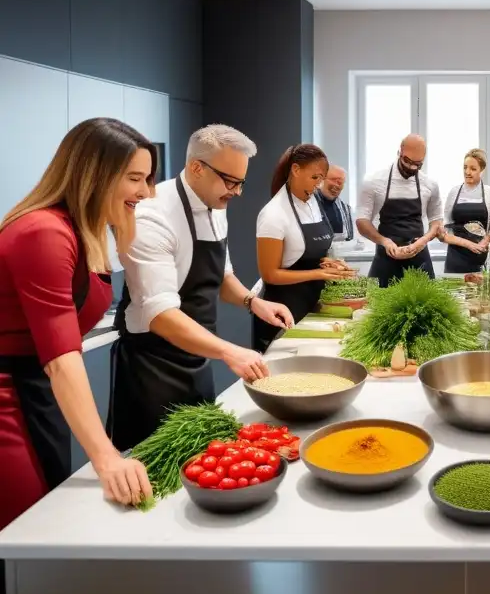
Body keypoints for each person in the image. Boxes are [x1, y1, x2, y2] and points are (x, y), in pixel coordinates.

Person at [0, 119, 157, 532]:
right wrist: (105, 456)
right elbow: (60, 358)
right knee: (23, 529)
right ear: (95, 174)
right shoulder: (44, 232)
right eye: (135, 179)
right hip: (8, 392)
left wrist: (126, 226)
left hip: (33, 387)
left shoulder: (86, 229)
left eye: (148, 179)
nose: (146, 192)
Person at [108, 125, 294, 452]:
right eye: (230, 181)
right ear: (197, 167)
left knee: (202, 458)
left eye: (241, 183)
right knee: (156, 471)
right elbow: (160, 315)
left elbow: (221, 276)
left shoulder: (216, 205)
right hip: (153, 369)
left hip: (198, 359)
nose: (236, 192)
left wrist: (254, 302)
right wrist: (228, 350)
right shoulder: (152, 215)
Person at [253, 145, 351, 354]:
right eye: (314, 177)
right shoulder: (273, 214)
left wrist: (327, 263)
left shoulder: (313, 202)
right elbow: (270, 274)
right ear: (296, 170)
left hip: (312, 305)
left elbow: (309, 253)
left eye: (322, 178)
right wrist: (318, 273)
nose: (318, 185)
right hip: (282, 311)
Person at [356, 134, 443, 286]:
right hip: (386, 258)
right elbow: (362, 221)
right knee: (378, 305)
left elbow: (436, 221)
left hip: (419, 257)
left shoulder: (430, 184)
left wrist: (423, 241)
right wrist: (384, 241)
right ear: (399, 152)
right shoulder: (374, 181)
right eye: (407, 161)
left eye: (418, 164)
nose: (411, 167)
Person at [438, 149, 490, 274]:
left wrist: (484, 242)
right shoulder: (454, 192)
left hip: (481, 259)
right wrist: (468, 244)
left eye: (473, 168)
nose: (467, 172)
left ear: (482, 170)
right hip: (455, 259)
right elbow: (443, 233)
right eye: (465, 167)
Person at [316, 164, 359, 257]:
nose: (337, 185)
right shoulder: (307, 204)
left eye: (341, 182)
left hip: (338, 260)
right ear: (321, 179)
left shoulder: (346, 209)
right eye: (333, 180)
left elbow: (349, 238)